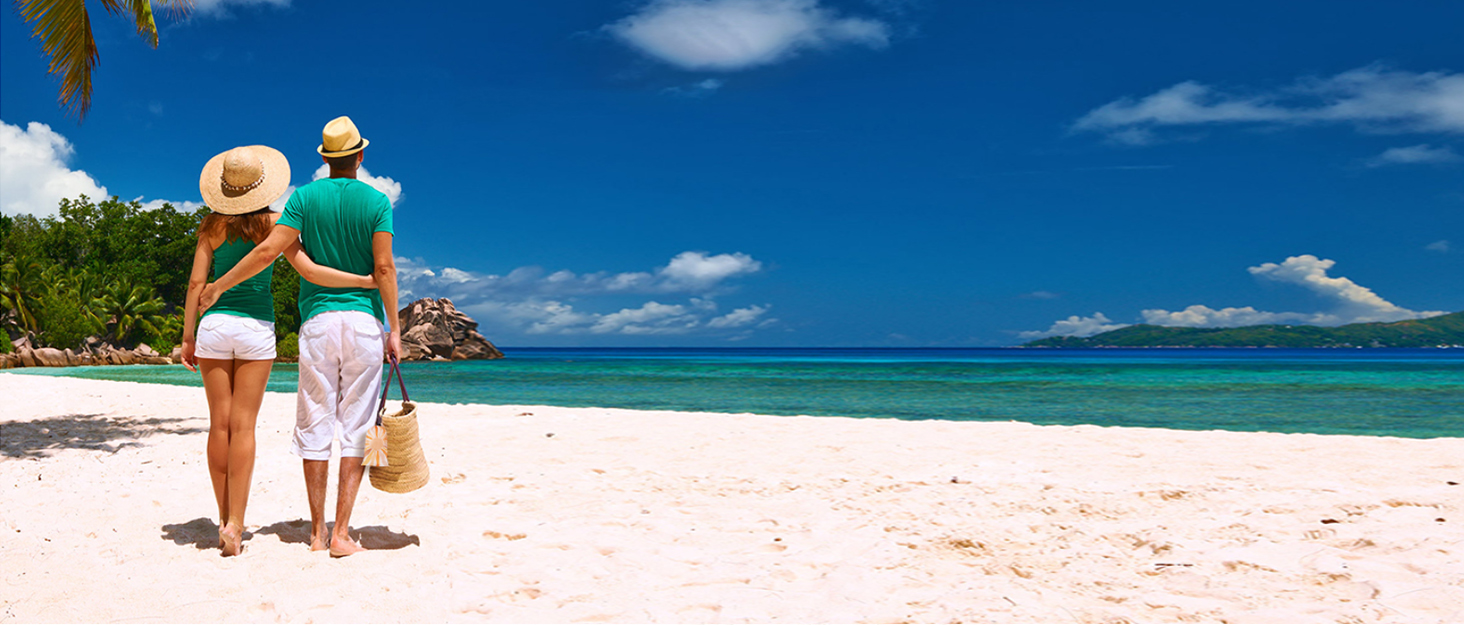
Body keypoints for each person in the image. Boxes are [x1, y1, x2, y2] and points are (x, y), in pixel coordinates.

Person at [200, 116, 401, 558]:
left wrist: (218, 287)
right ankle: (342, 534)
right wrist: (395, 329)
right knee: (358, 427)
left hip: (318, 324)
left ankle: (316, 533)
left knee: (315, 422)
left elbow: (267, 252)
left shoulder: (304, 199)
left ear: (326, 159)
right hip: (364, 324)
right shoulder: (377, 201)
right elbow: (384, 268)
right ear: (360, 156)